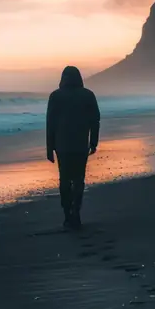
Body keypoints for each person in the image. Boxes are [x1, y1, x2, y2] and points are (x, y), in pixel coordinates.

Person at [46, 65, 100, 229]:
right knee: (78, 179)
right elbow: (95, 121)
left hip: (62, 146)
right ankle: (76, 212)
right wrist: (93, 142)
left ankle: (67, 213)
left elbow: (50, 124)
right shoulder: (87, 95)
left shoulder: (55, 96)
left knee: (64, 179)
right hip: (80, 144)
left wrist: (49, 148)